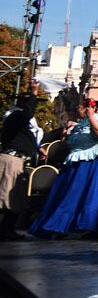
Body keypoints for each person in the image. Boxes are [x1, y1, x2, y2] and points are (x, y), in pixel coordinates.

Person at [29, 97, 98, 239]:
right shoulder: (79, 124)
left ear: (89, 108)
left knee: (84, 195)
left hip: (93, 161)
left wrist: (90, 117)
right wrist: (66, 131)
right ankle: (58, 225)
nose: (77, 110)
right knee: (64, 192)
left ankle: (88, 227)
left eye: (79, 107)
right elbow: (68, 143)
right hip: (76, 161)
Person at [1, 94, 45, 242]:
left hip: (18, 161)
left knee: (16, 199)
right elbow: (27, 113)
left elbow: (26, 137)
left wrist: (37, 149)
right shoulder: (16, 115)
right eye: (31, 103)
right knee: (7, 198)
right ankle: (5, 230)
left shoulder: (20, 120)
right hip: (11, 160)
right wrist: (34, 93)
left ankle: (7, 229)